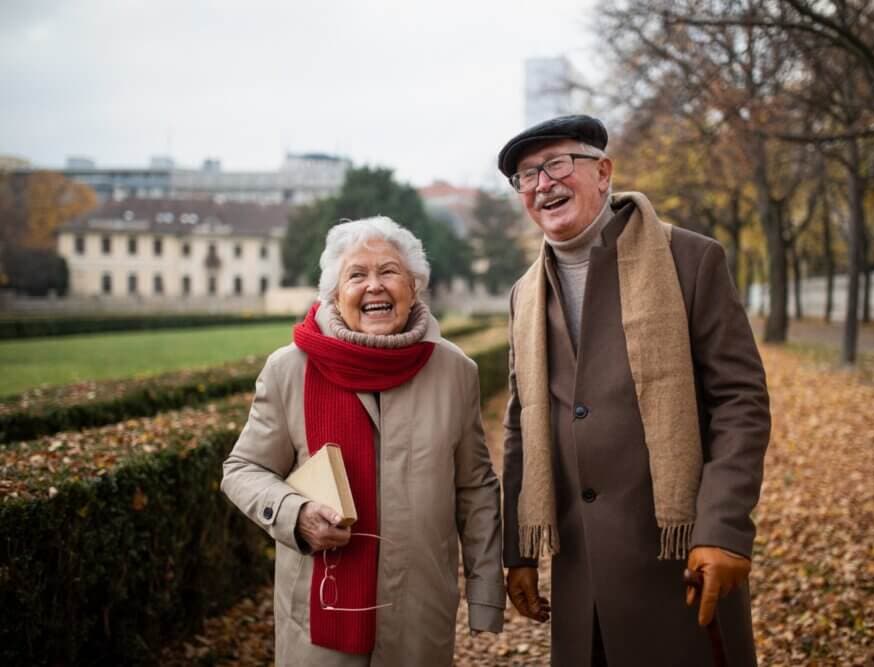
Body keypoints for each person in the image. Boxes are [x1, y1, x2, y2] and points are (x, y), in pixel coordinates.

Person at [498, 115, 770, 666]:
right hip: (580, 580)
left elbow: (740, 402)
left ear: (603, 171)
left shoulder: (690, 260)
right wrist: (519, 551)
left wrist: (724, 528)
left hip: (680, 567)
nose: (542, 184)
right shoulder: (523, 295)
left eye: (556, 164)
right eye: (527, 175)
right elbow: (521, 423)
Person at [221, 216, 505, 666]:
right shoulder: (289, 369)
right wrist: (295, 513)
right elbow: (242, 470)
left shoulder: (455, 371)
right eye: (357, 275)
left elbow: (475, 488)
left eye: (389, 272)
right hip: (318, 616)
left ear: (415, 286)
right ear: (334, 292)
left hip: (420, 612)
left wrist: (486, 592)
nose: (375, 286)